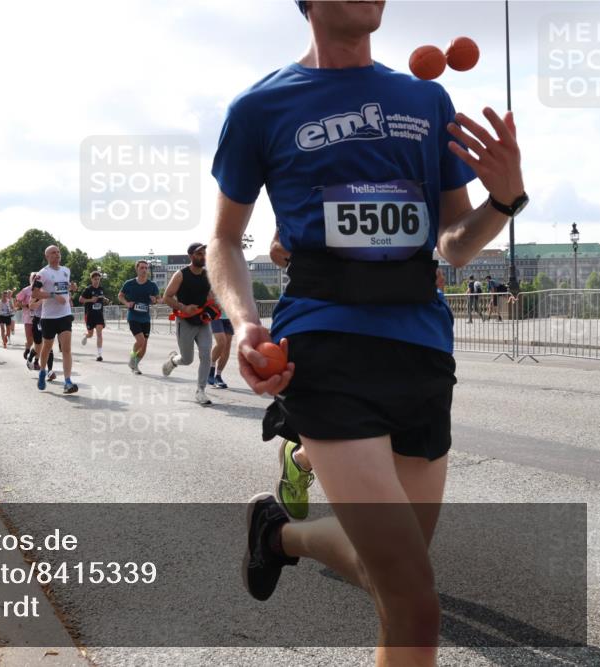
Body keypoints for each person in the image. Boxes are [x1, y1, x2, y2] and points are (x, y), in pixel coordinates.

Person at [208, 1, 526, 662]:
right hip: (324, 347)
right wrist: (244, 323)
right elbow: (224, 239)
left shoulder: (426, 100)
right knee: (414, 598)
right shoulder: (259, 108)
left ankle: (278, 533)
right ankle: (280, 530)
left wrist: (503, 201)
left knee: (389, 568)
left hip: (422, 347)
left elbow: (454, 243)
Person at [162, 242, 216, 406]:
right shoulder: (181, 275)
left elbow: (210, 295)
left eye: (204, 253)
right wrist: (184, 307)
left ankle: (201, 390)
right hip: (185, 320)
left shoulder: (208, 275)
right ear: (191, 256)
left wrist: (216, 303)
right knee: (187, 359)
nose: (203, 256)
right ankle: (173, 361)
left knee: (206, 354)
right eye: (199, 254)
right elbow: (167, 297)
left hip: (202, 320)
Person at [32, 246, 76, 393]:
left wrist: (71, 287)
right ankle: (42, 371)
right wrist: (52, 295)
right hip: (49, 317)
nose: (57, 254)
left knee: (66, 349)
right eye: (53, 253)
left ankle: (68, 381)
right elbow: (35, 292)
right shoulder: (43, 273)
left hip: (64, 314)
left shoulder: (66, 270)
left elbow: (64, 287)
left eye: (58, 252)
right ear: (47, 256)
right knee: (47, 347)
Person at [118, 260, 160, 375]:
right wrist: (126, 303)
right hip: (133, 317)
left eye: (146, 268)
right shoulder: (129, 283)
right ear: (137, 269)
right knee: (140, 340)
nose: (144, 270)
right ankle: (132, 359)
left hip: (145, 318)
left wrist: (155, 300)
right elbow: (120, 295)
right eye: (142, 268)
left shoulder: (152, 285)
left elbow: (158, 299)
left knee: (144, 345)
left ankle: (135, 364)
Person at [79, 271, 109, 361]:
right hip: (90, 315)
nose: (97, 281)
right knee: (91, 334)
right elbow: (81, 300)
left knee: (99, 333)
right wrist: (91, 300)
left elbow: (102, 298)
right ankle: (86, 336)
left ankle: (99, 354)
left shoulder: (101, 289)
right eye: (95, 279)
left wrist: (105, 300)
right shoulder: (88, 289)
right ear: (91, 279)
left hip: (99, 315)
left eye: (98, 279)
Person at [208, 303, 234, 389]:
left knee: (227, 347)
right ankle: (210, 369)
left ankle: (218, 376)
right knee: (221, 342)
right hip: (216, 315)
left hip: (230, 317)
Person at [16, 275, 38, 365]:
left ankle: (36, 361)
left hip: (40, 317)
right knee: (30, 340)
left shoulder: (43, 289)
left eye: (38, 278)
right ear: (31, 280)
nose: (36, 280)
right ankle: (27, 349)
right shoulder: (26, 290)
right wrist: (26, 306)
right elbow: (17, 303)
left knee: (39, 340)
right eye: (34, 278)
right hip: (28, 318)